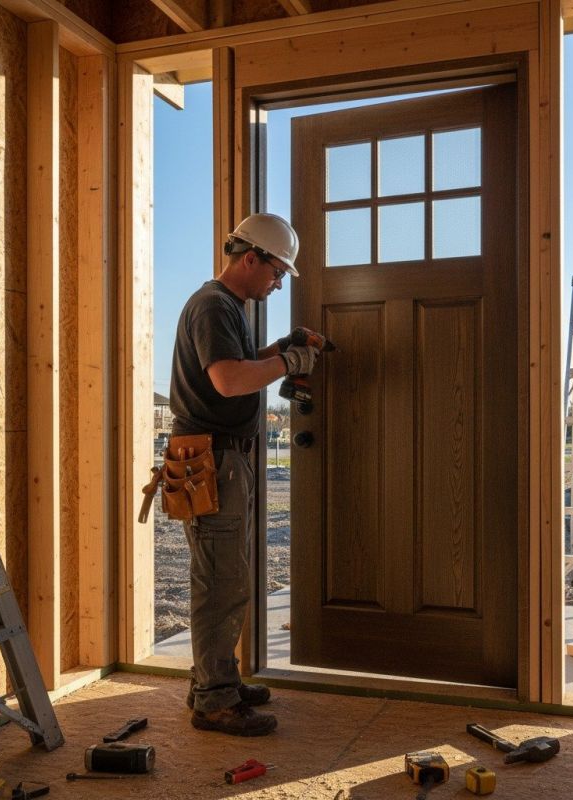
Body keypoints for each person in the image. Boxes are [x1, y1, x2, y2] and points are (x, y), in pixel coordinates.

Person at [169, 212, 319, 736]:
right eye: (277, 272)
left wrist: (281, 348)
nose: (278, 284)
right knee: (221, 582)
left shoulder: (225, 306)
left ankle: (216, 681)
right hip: (213, 459)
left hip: (219, 458)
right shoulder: (213, 305)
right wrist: (290, 361)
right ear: (250, 258)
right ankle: (214, 700)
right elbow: (230, 380)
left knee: (223, 576)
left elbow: (236, 364)